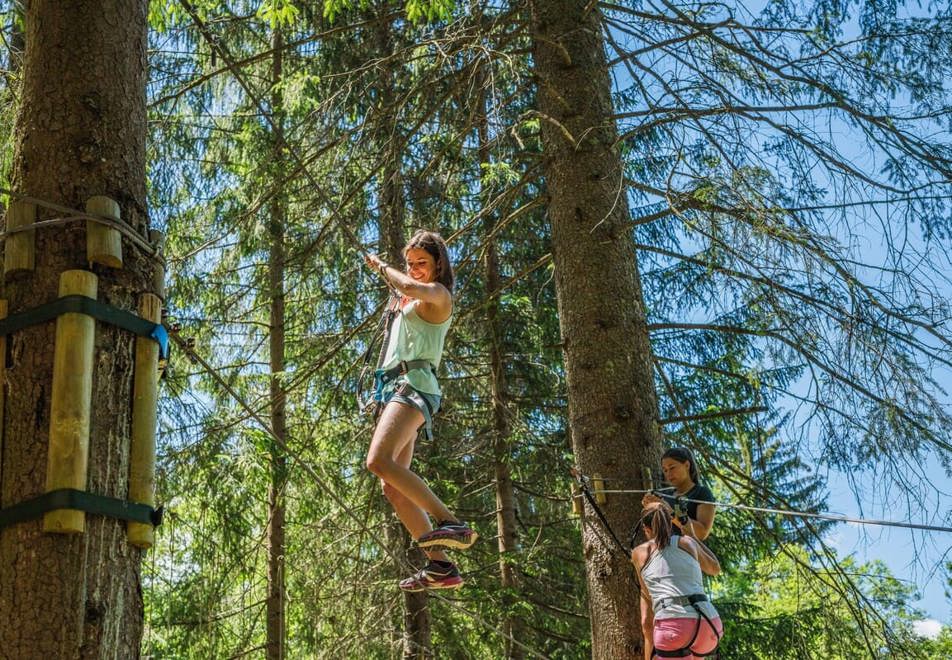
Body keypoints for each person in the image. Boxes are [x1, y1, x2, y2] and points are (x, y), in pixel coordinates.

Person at [362, 230, 477, 592]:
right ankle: (441, 566)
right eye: (410, 265)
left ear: (438, 264)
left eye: (421, 264)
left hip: (415, 387)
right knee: (392, 486)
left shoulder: (439, 296)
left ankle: (448, 520)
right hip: (400, 388)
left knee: (378, 461)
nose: (414, 271)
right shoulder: (410, 303)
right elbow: (407, 299)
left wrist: (382, 267)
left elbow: (412, 290)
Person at [632, 502, 723, 660]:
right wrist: (693, 537)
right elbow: (715, 568)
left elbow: (647, 597)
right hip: (709, 622)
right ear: (670, 523)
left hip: (673, 626)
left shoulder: (640, 553)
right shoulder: (687, 543)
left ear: (646, 529)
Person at [642, 447, 716, 540]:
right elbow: (654, 535)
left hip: (688, 552)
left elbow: (702, 533)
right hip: (663, 552)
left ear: (687, 465)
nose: (668, 473)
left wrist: (671, 512)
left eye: (672, 468)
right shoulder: (664, 495)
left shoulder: (701, 493)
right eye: (665, 470)